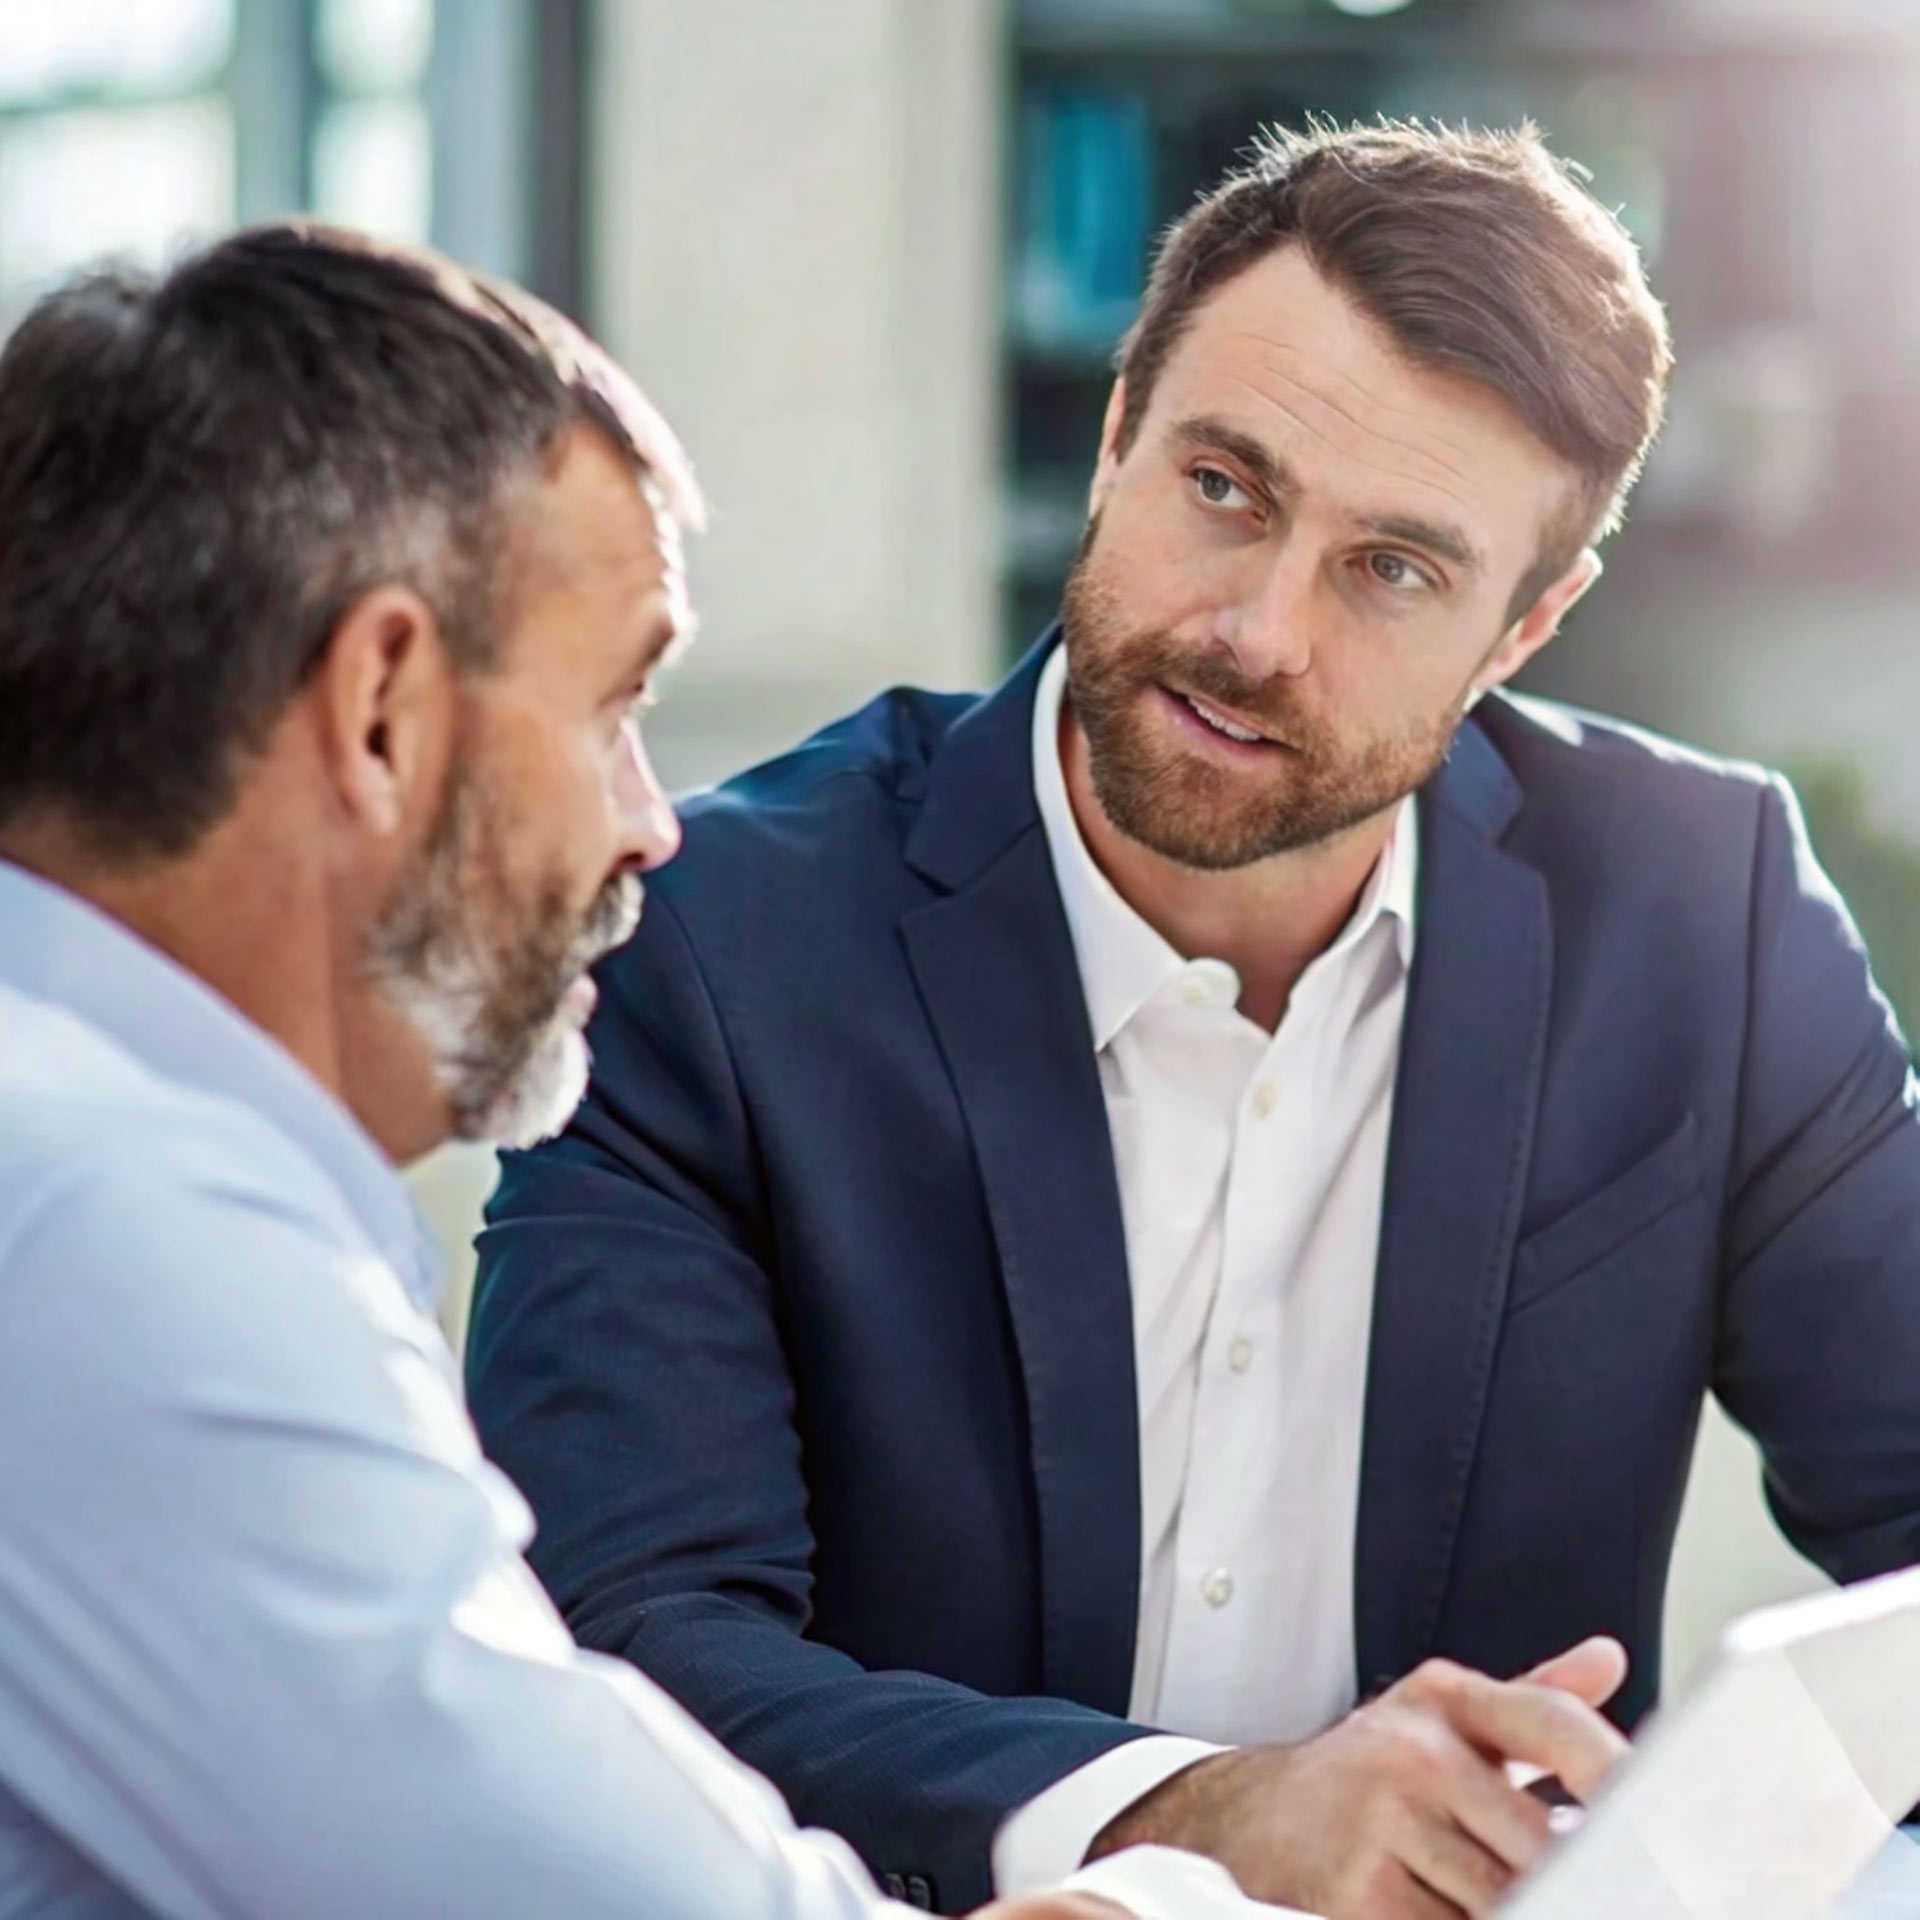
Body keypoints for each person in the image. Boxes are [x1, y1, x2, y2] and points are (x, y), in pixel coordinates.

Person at [466, 117, 1920, 1920]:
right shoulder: (706, 951)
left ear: (1525, 628)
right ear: (1114, 439)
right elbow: (619, 1655)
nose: (1258, 630)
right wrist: (1203, 1815)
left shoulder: (1707, 924)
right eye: (1224, 488)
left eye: (1394, 571)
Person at [0, 225, 1283, 1920]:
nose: (650, 824)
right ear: (380, 707)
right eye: (615, 706)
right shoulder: (122, 1232)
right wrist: (1186, 1894)